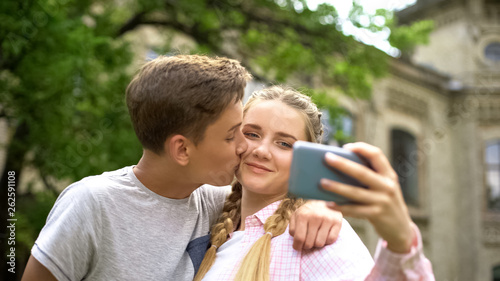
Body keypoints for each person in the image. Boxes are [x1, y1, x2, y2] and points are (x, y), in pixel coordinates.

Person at [21, 56, 343, 281]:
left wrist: (317, 203)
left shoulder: (214, 203)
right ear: (183, 149)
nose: (245, 147)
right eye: (235, 135)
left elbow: (274, 196)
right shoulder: (91, 206)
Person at [194, 86, 435, 281]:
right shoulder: (206, 216)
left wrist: (401, 243)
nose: (262, 151)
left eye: (284, 144)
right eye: (252, 134)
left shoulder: (314, 237)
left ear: (305, 160)